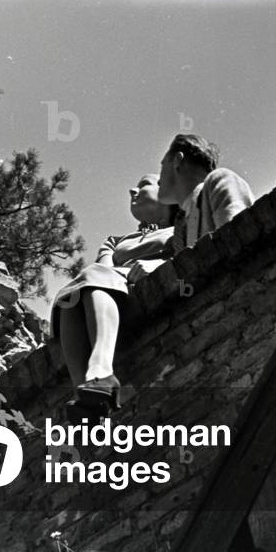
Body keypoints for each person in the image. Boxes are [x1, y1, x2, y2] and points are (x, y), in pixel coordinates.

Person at [50, 174, 179, 416]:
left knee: (90, 278)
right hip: (111, 288)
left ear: (166, 192)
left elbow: (191, 250)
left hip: (133, 287)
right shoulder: (114, 241)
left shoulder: (181, 226)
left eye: (144, 185)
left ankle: (101, 370)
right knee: (69, 297)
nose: (133, 190)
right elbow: (104, 270)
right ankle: (85, 394)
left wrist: (159, 264)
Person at [157, 133, 254, 252]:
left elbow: (240, 240)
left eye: (162, 166)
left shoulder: (219, 180)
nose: (158, 181)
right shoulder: (181, 227)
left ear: (177, 160)